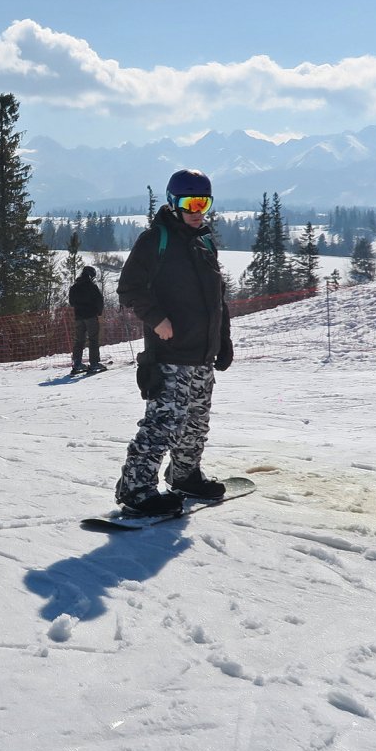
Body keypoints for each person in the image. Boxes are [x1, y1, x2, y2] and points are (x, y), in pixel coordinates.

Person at [113, 169, 234, 516]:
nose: (198, 210)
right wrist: (157, 319)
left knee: (196, 421)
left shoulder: (204, 241)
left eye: (204, 203)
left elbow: (217, 299)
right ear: (173, 202)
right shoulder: (155, 240)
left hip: (202, 353)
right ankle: (136, 491)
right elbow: (129, 289)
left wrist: (222, 341)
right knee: (163, 424)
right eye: (190, 203)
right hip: (169, 353)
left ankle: (184, 476)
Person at [68, 266, 105, 374]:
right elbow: (99, 301)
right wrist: (99, 312)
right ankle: (94, 364)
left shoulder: (74, 287)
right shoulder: (92, 286)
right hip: (91, 316)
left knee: (79, 340)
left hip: (78, 317)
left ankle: (77, 363)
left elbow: (71, 302)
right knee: (93, 340)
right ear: (91, 275)